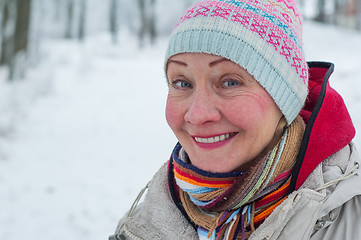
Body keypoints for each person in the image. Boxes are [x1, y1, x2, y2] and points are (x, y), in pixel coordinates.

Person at [109, 0, 361, 239]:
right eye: (182, 83)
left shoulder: (350, 219)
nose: (197, 114)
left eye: (230, 82)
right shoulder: (142, 224)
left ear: (285, 99)